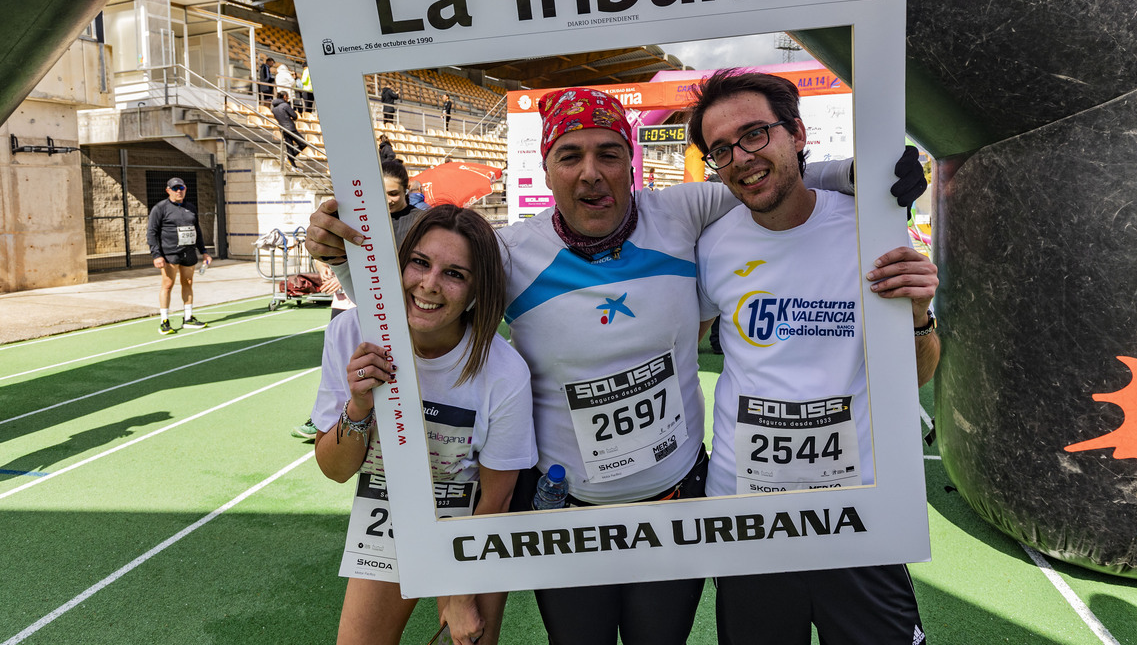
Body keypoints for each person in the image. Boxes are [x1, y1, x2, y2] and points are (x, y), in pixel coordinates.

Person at [305, 87, 924, 645]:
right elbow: (421, 298)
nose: (591, 172)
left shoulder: (683, 212)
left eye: (608, 151)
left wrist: (863, 174)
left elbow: (760, 174)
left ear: (631, 159)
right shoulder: (513, 250)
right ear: (546, 169)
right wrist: (340, 253)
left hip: (673, 502)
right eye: (569, 155)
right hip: (569, 512)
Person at [687, 69, 940, 645]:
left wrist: (920, 315)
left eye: (755, 135)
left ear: (797, 133)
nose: (742, 158)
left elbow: (917, 376)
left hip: (856, 513)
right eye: (721, 150)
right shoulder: (712, 245)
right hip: (746, 516)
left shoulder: (871, 229)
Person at [311, 205, 536, 645]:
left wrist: (459, 589)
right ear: (400, 264)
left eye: (455, 273)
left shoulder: (504, 371)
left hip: (470, 522)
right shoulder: (350, 333)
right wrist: (359, 405)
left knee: (468, 635)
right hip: (391, 513)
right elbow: (335, 469)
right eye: (419, 262)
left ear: (476, 291)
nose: (429, 285)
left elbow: (498, 496)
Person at [147, 177, 212, 334]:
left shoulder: (190, 207)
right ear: (168, 190)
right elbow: (152, 232)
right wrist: (156, 254)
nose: (178, 191)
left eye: (181, 188)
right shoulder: (160, 208)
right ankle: (164, 321)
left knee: (188, 283)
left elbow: (197, 230)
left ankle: (188, 318)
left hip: (188, 253)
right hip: (169, 254)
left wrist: (203, 251)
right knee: (168, 285)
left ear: (185, 189)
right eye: (175, 188)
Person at [271, 90, 309, 167]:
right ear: (284, 97)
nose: (288, 98)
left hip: (282, 128)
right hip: (290, 128)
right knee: (303, 143)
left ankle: (292, 164)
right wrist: (292, 118)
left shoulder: (273, 109)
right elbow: (295, 115)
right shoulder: (285, 105)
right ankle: (290, 157)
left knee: (289, 146)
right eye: (287, 96)